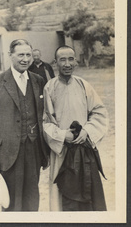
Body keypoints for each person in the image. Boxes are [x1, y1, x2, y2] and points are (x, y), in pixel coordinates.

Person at [0, 39, 50, 211]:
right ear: (10, 55)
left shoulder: (38, 81)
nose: (25, 59)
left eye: (28, 55)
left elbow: (43, 116)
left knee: (32, 198)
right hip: (8, 153)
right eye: (21, 54)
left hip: (34, 150)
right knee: (11, 202)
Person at [43, 45, 108, 211]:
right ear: (55, 62)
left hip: (84, 149)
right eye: (62, 59)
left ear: (76, 62)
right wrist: (63, 135)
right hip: (62, 151)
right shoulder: (49, 87)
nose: (67, 63)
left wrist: (87, 131)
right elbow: (46, 122)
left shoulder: (83, 85)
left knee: (89, 194)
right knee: (61, 198)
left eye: (70, 59)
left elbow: (99, 112)